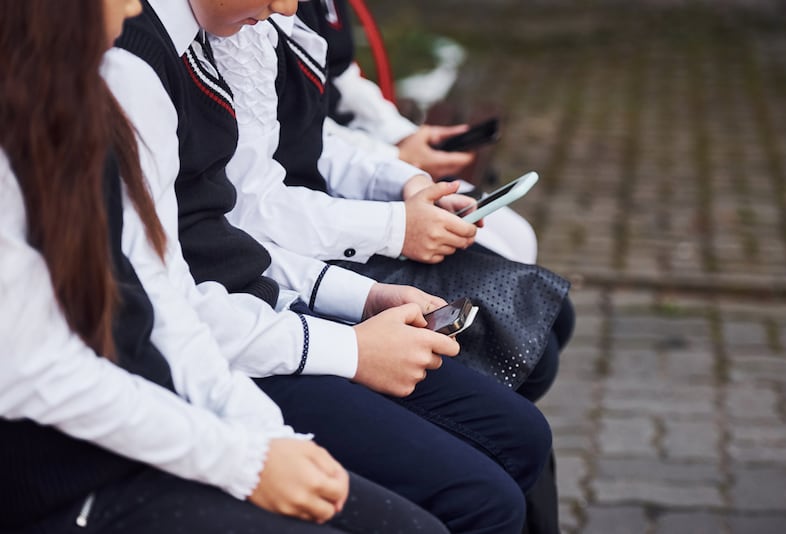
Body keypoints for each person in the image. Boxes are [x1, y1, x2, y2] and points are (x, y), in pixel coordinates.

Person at [0, 1, 450, 533]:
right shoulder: (128, 71)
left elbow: (165, 293)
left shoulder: (89, 87)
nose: (135, 2)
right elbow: (36, 370)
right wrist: (245, 459)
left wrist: (266, 437)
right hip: (63, 476)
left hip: (166, 401)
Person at [104, 0, 554, 531]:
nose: (288, 8)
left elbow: (239, 221)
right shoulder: (130, 66)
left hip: (259, 312)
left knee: (522, 430)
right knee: (481, 495)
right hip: (228, 345)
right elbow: (178, 290)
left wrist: (361, 299)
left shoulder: (208, 31)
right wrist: (344, 349)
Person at [211, 10, 572, 401]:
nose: (285, 6)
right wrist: (395, 227)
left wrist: (405, 174)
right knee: (528, 351)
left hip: (308, 234)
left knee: (545, 310)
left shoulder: (255, 21)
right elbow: (253, 206)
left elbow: (316, 124)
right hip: (293, 250)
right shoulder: (229, 27)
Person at [315, 0, 540, 265]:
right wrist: (396, 158)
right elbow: (297, 132)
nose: (284, 8)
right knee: (505, 263)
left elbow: (340, 74)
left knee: (519, 238)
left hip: (358, 161)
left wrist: (403, 139)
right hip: (323, 194)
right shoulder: (269, 18)